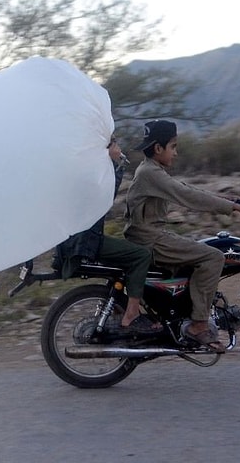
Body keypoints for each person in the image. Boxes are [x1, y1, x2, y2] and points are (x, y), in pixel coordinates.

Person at [123, 120, 240, 352]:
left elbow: (187, 189)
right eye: (173, 146)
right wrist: (235, 208)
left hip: (149, 235)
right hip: (149, 239)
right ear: (158, 148)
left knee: (198, 252)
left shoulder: (151, 170)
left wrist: (230, 202)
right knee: (214, 257)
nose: (176, 152)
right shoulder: (150, 173)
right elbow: (186, 195)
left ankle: (181, 316)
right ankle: (198, 325)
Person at [54, 135, 158, 334]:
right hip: (85, 241)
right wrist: (114, 161)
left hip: (73, 240)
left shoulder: (78, 168)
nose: (117, 146)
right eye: (112, 143)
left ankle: (119, 310)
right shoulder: (92, 172)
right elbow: (104, 196)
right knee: (141, 255)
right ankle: (132, 314)